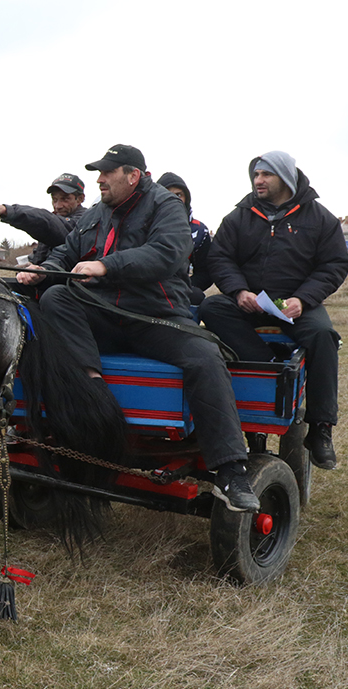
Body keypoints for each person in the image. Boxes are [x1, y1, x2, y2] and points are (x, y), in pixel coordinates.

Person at [17, 144, 258, 513]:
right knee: (55, 298)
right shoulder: (96, 212)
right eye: (98, 173)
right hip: (103, 311)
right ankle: (91, 384)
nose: (99, 180)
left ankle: (230, 469)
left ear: (132, 176)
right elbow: (67, 250)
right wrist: (43, 269)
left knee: (206, 358)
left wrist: (106, 266)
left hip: (154, 316)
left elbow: (167, 252)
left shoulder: (166, 207)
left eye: (106, 173)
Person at [200, 151, 348, 470]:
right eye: (255, 175)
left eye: (265, 175)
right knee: (212, 307)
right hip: (251, 302)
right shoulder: (240, 216)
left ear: (285, 177)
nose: (258, 181)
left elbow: (335, 263)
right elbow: (220, 258)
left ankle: (321, 429)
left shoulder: (318, 217)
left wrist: (303, 299)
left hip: (296, 305)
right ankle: (269, 367)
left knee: (324, 336)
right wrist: (239, 291)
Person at [0, 172, 87, 265]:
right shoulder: (56, 220)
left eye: (65, 199)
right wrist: (28, 263)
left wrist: (8, 211)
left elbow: (48, 222)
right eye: (54, 199)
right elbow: (42, 253)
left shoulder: (85, 220)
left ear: (80, 199)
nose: (58, 205)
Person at [156, 172, 213, 305]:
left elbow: (205, 272)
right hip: (145, 286)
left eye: (178, 195)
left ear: (186, 198)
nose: (173, 198)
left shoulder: (199, 231)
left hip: (179, 289)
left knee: (197, 296)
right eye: (167, 193)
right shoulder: (143, 225)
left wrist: (186, 286)